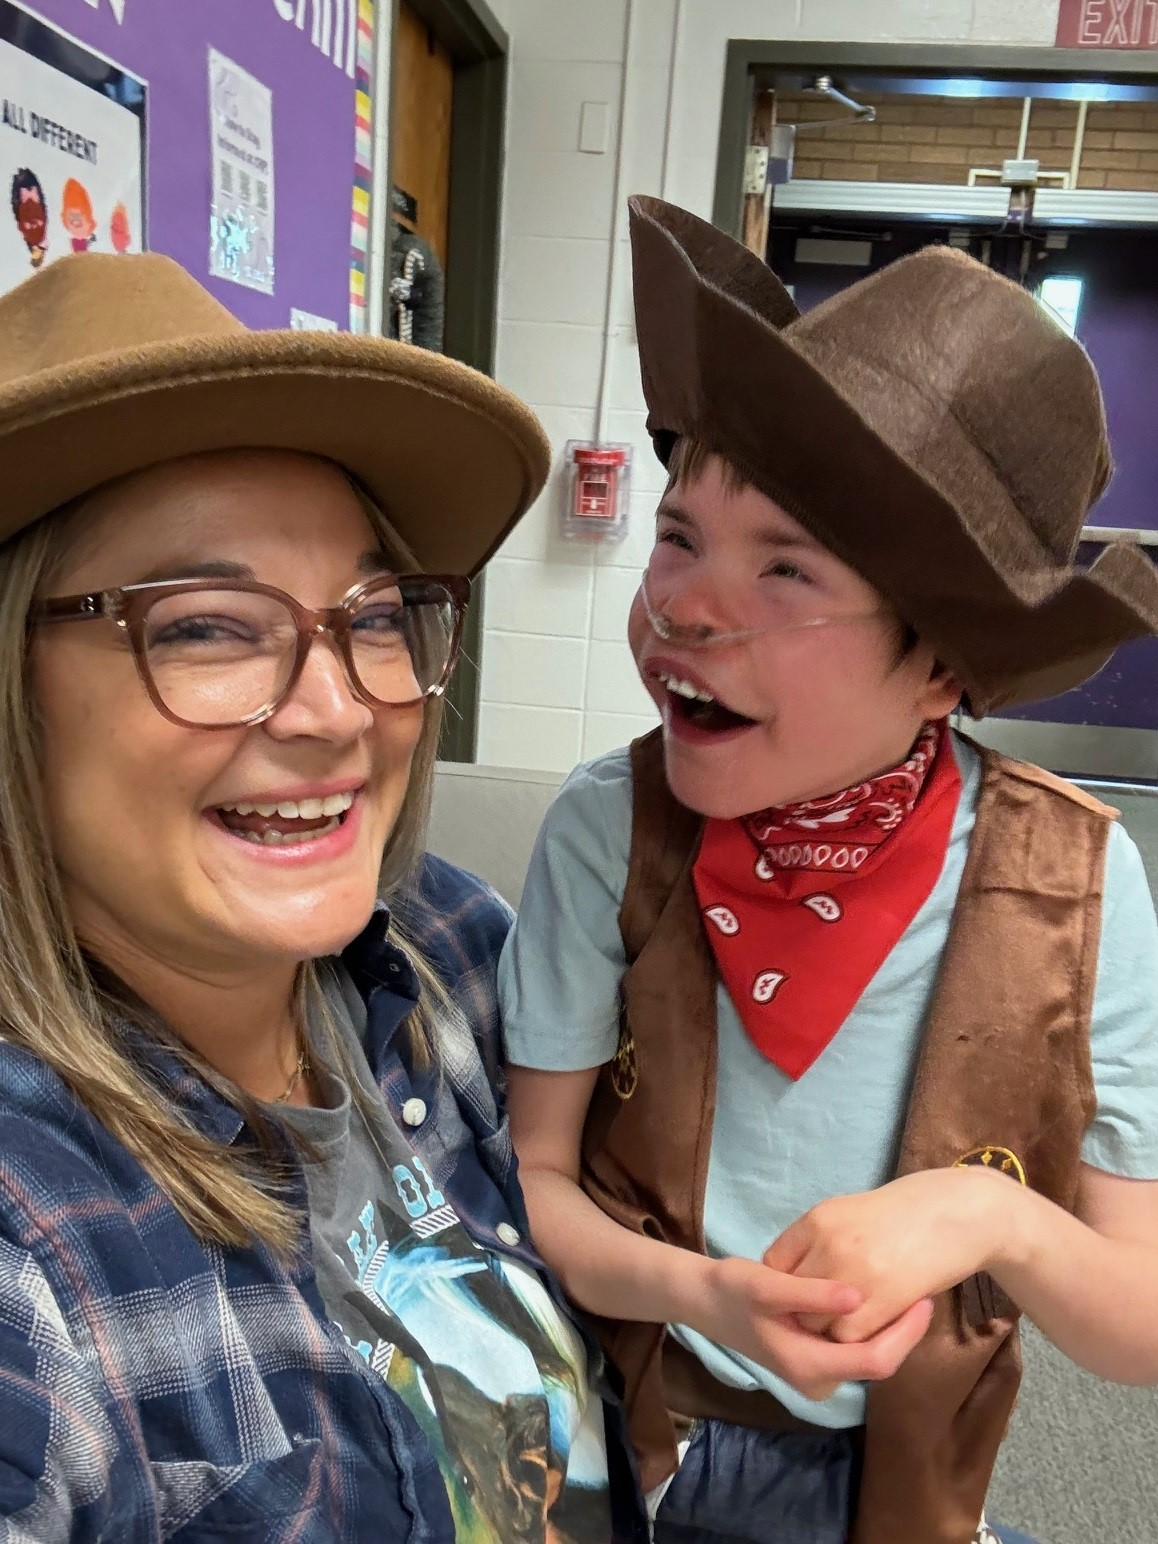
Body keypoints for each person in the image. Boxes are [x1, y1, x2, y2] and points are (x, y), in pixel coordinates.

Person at [500, 196, 1158, 1544]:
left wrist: (992, 1214)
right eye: (678, 537)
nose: (683, 604)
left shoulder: (1075, 885)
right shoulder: (601, 832)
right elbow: (534, 1183)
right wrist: (705, 1294)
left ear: (940, 669)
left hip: (909, 1482)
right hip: (628, 1430)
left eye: (786, 571)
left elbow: (1137, 1327)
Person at [0, 250, 650, 1542]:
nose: (341, 707)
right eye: (204, 624)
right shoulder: (36, 1242)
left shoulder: (450, 950)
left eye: (371, 613)